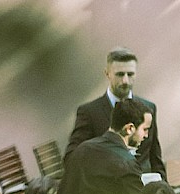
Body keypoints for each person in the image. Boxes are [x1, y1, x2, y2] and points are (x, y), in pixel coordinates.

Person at [65, 47, 167, 181]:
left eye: (130, 74)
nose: (125, 81)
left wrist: (164, 189)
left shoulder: (149, 108)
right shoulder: (89, 112)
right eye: (120, 74)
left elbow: (155, 156)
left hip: (146, 192)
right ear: (107, 74)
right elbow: (71, 158)